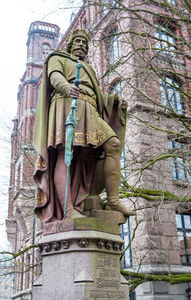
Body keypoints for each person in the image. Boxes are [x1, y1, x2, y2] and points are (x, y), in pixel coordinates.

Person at [33, 29, 134, 222]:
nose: (81, 44)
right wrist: (67, 87)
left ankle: (113, 200)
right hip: (66, 104)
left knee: (112, 144)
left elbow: (96, 96)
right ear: (70, 44)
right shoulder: (58, 58)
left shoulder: (89, 70)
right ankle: (68, 208)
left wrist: (113, 101)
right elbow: (54, 77)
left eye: (84, 43)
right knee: (66, 154)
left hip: (90, 109)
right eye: (77, 41)